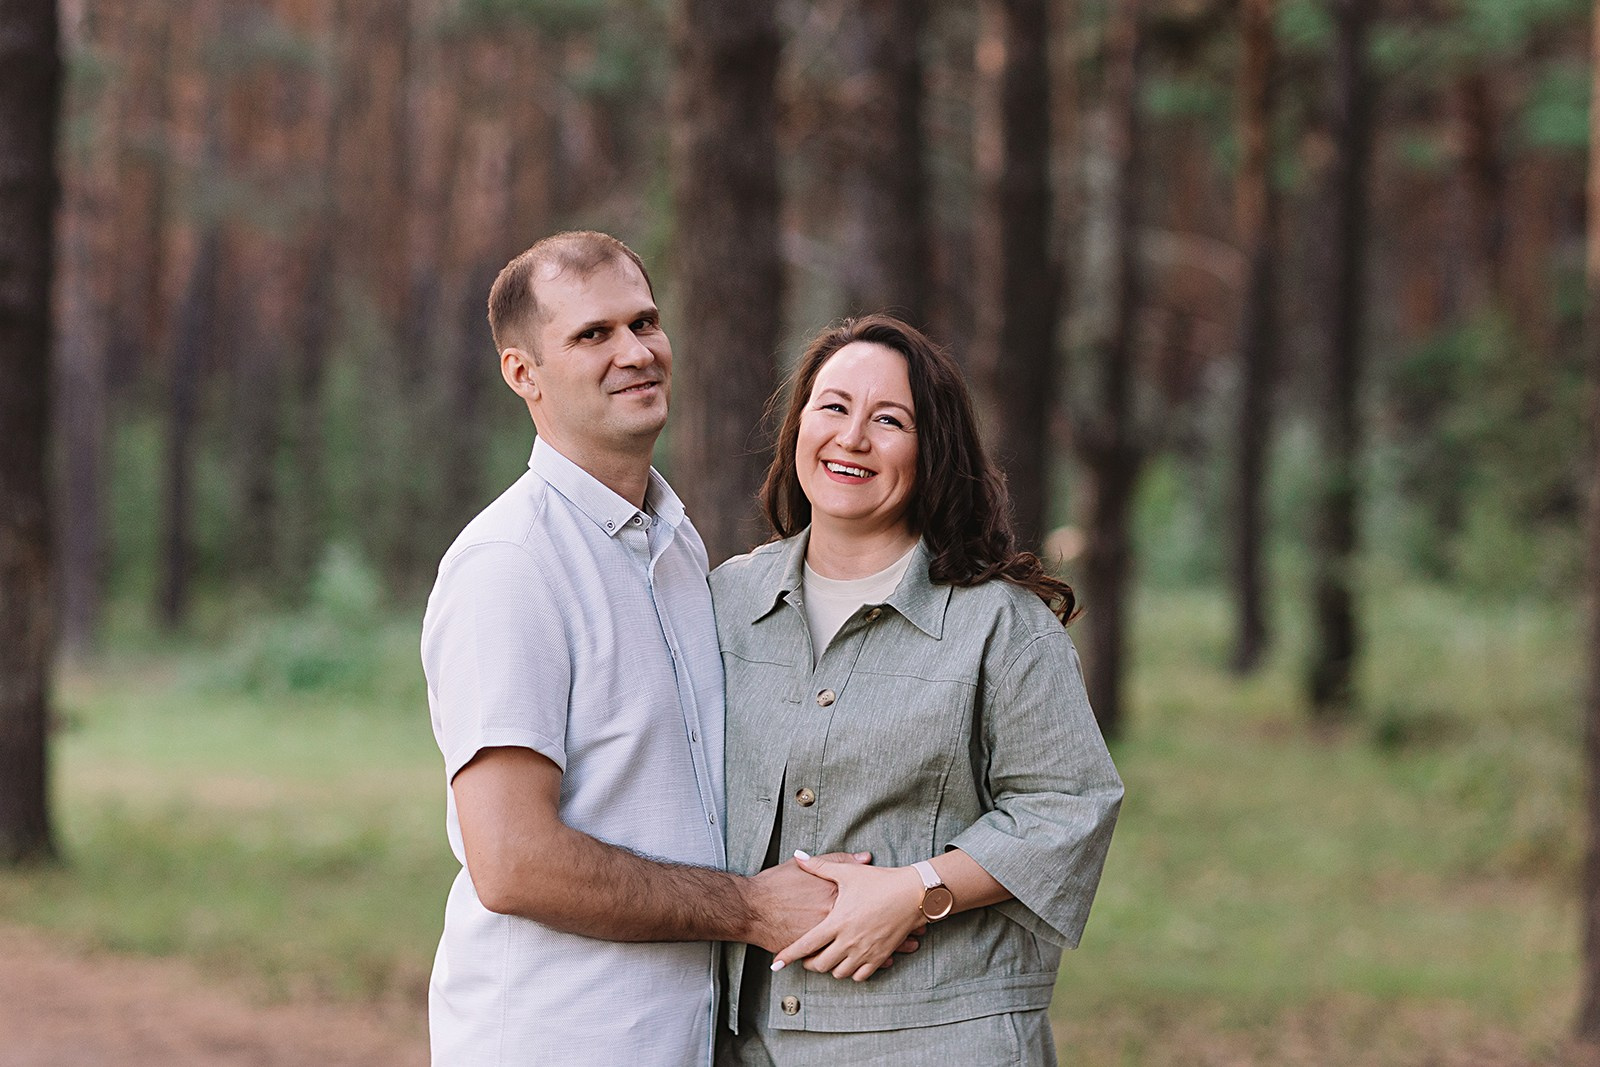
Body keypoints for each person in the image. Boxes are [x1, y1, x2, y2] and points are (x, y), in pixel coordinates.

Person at [421, 231, 869, 1066]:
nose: (635, 351)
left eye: (645, 322)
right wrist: (750, 908)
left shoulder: (676, 544)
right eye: (593, 334)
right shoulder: (510, 563)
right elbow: (513, 861)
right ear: (523, 373)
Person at [710, 313, 1124, 1065]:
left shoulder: (1000, 624)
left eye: (888, 420)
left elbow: (1070, 803)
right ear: (798, 425)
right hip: (747, 1040)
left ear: (931, 450)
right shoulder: (723, 603)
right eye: (834, 407)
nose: (852, 438)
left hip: (941, 1038)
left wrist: (918, 888)